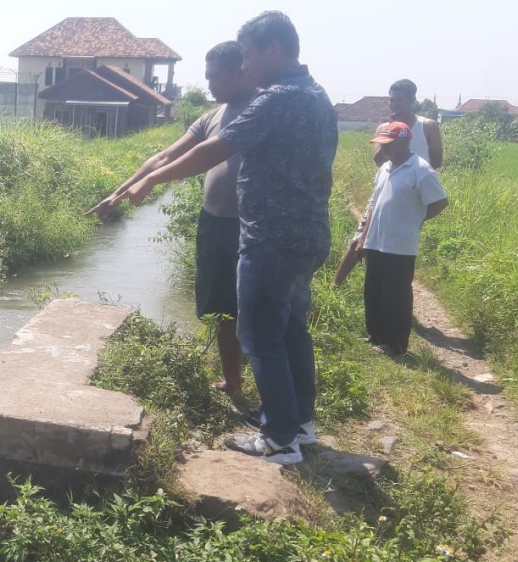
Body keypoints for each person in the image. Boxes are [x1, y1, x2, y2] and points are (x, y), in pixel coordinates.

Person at [87, 11, 337, 464]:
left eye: (248, 57)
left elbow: (215, 150)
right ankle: (300, 424)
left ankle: (280, 440)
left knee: (259, 334)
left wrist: (148, 183)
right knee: (290, 329)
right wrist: (131, 183)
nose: (245, 67)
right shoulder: (315, 95)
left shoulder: (278, 98)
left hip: (271, 237)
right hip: (306, 234)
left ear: (273, 51)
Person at [100, 41, 256, 394]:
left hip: (251, 225)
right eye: (207, 77)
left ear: (241, 71)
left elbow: (200, 158)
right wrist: (120, 191)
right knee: (221, 308)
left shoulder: (261, 109)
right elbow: (164, 157)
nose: (211, 85)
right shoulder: (212, 116)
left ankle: (269, 389)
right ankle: (233, 382)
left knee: (254, 307)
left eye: (216, 77)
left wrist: (152, 182)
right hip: (214, 222)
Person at [333, 79, 444, 285]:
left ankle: (397, 297)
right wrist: (393, 138)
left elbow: (436, 162)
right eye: (391, 101)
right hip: (388, 188)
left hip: (414, 192)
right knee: (361, 236)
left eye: (399, 100)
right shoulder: (384, 128)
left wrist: (410, 160)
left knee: (401, 247)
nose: (394, 105)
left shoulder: (428, 126)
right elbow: (378, 160)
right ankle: (336, 286)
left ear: (412, 100)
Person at [359, 121, 448, 356]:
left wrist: (416, 219)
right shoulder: (384, 169)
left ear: (403, 142)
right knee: (374, 291)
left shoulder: (420, 169)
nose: (383, 149)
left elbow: (439, 202)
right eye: (381, 144)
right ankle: (375, 335)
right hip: (376, 240)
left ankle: (396, 345)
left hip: (400, 245)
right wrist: (363, 237)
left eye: (387, 145)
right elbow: (375, 204)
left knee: (396, 295)